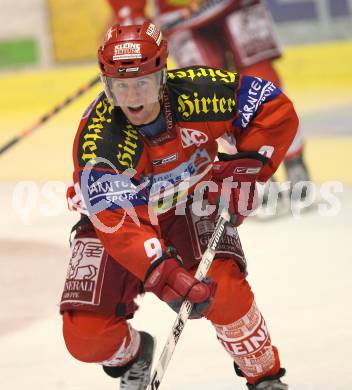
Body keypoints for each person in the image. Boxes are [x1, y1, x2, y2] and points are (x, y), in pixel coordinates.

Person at [60, 21, 298, 389]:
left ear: (161, 76)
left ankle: (264, 377)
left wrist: (250, 167)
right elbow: (116, 224)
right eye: (121, 86)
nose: (134, 97)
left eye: (142, 82)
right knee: (86, 337)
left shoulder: (199, 91)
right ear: (107, 86)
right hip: (118, 226)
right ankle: (134, 354)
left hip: (191, 203)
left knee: (226, 291)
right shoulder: (100, 140)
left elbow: (271, 106)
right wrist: (163, 272)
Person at [106, 0, 311, 216]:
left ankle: (293, 160)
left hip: (235, 4)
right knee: (210, 97)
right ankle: (250, 175)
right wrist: (132, 18)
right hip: (178, 15)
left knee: (262, 78)